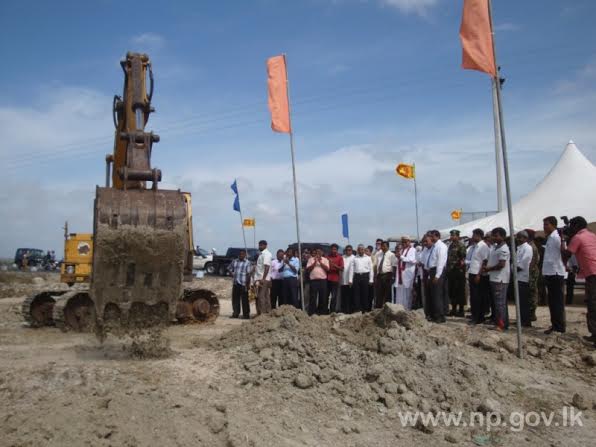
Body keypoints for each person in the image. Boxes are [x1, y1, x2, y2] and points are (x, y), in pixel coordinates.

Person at [561, 216, 596, 345]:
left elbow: (567, 254)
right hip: (592, 271)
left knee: (592, 303)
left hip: (592, 273)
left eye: (571, 226)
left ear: (576, 227)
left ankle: (595, 335)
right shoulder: (591, 235)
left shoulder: (578, 237)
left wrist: (563, 240)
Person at [542, 216, 566, 334]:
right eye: (544, 224)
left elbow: (563, 252)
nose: (544, 227)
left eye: (546, 224)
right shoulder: (550, 238)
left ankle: (559, 327)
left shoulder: (557, 237)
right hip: (550, 272)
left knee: (557, 301)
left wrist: (563, 240)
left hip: (556, 272)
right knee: (552, 301)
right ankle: (555, 325)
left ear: (553, 225)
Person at [484, 227, 510, 331]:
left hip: (500, 279)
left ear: (503, 237)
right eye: (493, 235)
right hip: (494, 278)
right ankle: (502, 323)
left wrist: (489, 268)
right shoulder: (496, 247)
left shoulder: (503, 249)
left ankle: (501, 325)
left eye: (496, 235)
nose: (494, 238)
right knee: (498, 303)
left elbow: (501, 264)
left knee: (500, 303)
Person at [468, 228, 490, 325]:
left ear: (478, 235)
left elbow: (484, 262)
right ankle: (476, 316)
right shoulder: (475, 246)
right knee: (474, 296)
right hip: (472, 272)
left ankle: (477, 318)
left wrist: (478, 274)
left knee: (477, 297)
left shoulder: (483, 246)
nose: (472, 237)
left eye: (474, 235)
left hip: (478, 275)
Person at [427, 230, 448, 323]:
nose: (431, 238)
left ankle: (440, 316)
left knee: (437, 294)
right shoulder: (434, 246)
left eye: (432, 236)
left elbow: (440, 262)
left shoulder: (441, 246)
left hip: (437, 271)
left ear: (437, 236)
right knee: (433, 294)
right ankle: (436, 314)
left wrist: (437, 275)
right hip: (432, 271)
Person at [447, 229, 467, 317]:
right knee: (452, 290)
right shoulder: (450, 246)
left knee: (460, 291)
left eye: (453, 235)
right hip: (451, 271)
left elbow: (462, 258)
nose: (451, 237)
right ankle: (454, 309)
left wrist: (460, 268)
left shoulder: (461, 245)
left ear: (458, 236)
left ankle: (461, 310)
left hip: (459, 271)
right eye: (451, 235)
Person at [516, 231, 533, 327]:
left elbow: (524, 262)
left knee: (523, 301)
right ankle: (521, 319)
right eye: (518, 237)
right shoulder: (519, 248)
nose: (518, 239)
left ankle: (526, 321)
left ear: (525, 238)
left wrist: (514, 269)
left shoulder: (527, 248)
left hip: (522, 277)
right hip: (517, 277)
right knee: (519, 301)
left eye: (520, 237)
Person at [394, 236, 417, 310]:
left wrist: (401, 257)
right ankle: (399, 309)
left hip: (408, 275)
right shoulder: (401, 250)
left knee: (407, 293)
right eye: (402, 242)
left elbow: (413, 260)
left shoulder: (413, 250)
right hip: (400, 274)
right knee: (400, 293)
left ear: (409, 242)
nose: (404, 243)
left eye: (405, 241)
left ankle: (407, 309)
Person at [227, 249, 251, 319]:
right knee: (235, 300)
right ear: (238, 255)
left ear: (245, 255)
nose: (241, 255)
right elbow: (229, 268)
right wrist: (231, 273)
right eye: (240, 254)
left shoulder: (247, 263)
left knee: (245, 301)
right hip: (236, 283)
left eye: (243, 254)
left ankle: (246, 315)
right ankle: (235, 313)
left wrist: (248, 284)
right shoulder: (235, 261)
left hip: (244, 284)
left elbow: (248, 274)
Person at [350, 244, 374, 313]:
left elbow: (371, 269)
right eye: (359, 249)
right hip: (357, 276)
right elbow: (351, 269)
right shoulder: (354, 258)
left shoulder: (368, 258)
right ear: (357, 250)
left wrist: (371, 279)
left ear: (364, 250)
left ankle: (365, 309)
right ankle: (357, 309)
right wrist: (350, 280)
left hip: (365, 276)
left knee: (365, 293)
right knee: (356, 294)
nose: (361, 251)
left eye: (362, 249)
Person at [306, 249, 329, 315]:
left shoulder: (325, 259)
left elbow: (327, 269)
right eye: (317, 252)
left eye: (319, 252)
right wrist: (314, 262)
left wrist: (320, 262)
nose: (318, 253)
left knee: (322, 297)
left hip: (323, 281)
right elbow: (308, 269)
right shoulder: (311, 259)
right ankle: (312, 312)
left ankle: (322, 312)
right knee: (313, 297)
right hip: (313, 281)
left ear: (322, 253)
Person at [374, 241, 396, 308]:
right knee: (379, 293)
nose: (383, 247)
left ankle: (387, 308)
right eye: (382, 246)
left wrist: (393, 277)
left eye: (384, 246)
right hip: (379, 275)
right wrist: (375, 275)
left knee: (387, 293)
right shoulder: (378, 254)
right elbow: (376, 265)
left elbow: (394, 266)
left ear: (388, 247)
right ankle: (378, 308)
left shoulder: (391, 254)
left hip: (387, 275)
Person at [253, 240, 273, 315]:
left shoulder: (266, 254)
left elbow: (267, 267)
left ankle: (263, 314)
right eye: (259, 245)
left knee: (261, 297)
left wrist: (263, 279)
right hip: (260, 278)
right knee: (266, 296)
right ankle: (267, 312)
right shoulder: (261, 254)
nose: (259, 247)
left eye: (261, 245)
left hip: (263, 279)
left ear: (265, 245)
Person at [525, 229, 541, 322]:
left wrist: (528, 272)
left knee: (531, 293)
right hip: (531, 271)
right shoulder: (529, 246)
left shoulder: (531, 247)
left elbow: (533, 262)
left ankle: (531, 314)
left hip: (532, 272)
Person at [325, 244, 344, 313]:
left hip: (335, 279)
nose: (333, 250)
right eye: (332, 249)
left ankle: (332, 311)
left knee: (334, 297)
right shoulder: (327, 257)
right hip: (327, 279)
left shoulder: (340, 257)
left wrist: (333, 265)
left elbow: (342, 268)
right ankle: (325, 310)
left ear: (337, 250)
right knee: (326, 296)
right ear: (330, 249)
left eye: (335, 249)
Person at [340, 245, 354, 314]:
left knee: (350, 296)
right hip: (343, 280)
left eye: (350, 250)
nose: (348, 251)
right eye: (347, 250)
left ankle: (350, 311)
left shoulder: (354, 258)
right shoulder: (342, 257)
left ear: (352, 250)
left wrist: (351, 280)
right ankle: (344, 310)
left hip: (351, 281)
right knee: (343, 296)